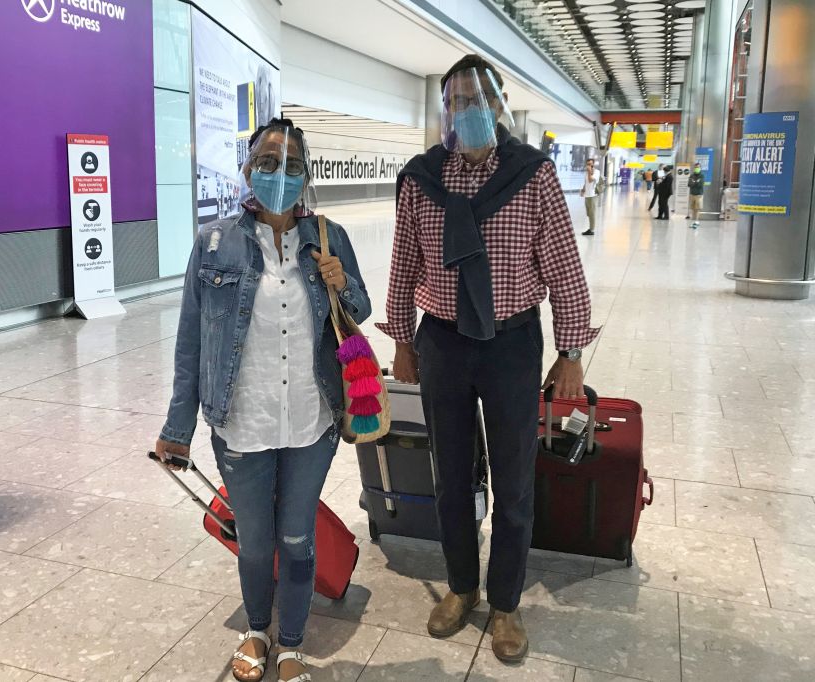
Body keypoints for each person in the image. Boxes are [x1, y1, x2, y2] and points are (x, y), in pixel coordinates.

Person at [378, 55, 598, 663]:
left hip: (511, 344)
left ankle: (504, 602)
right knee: (450, 472)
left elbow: (565, 270)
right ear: (445, 108)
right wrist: (402, 340)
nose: (468, 110)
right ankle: (461, 586)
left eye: (479, 99)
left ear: (498, 103)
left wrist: (572, 351)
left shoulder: (534, 175)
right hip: (442, 341)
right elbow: (405, 266)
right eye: (458, 101)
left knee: (513, 476)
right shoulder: (423, 179)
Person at [155, 118, 371, 682]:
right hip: (241, 418)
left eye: (293, 165)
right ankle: (256, 631)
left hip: (311, 416)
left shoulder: (329, 236)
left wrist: (340, 279)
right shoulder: (215, 242)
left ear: (306, 175)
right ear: (249, 170)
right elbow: (191, 340)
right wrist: (178, 427)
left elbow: (361, 309)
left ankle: (293, 644)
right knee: (254, 543)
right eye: (269, 163)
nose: (281, 174)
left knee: (297, 539)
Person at [579, 157, 598, 236]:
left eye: (590, 164)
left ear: (593, 164)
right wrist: (583, 190)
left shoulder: (597, 172)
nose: (589, 166)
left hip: (592, 195)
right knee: (589, 213)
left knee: (592, 213)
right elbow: (586, 183)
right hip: (587, 195)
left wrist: (590, 171)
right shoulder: (587, 173)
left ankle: (592, 230)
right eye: (587, 164)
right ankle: (590, 228)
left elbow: (590, 180)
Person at [688, 162, 705, 228]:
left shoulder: (702, 175)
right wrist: (696, 182)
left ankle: (697, 221)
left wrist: (693, 182)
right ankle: (693, 221)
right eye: (695, 167)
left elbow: (700, 185)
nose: (696, 168)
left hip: (699, 195)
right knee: (693, 208)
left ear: (700, 168)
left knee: (697, 208)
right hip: (692, 194)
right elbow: (689, 184)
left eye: (698, 167)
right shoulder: (691, 175)